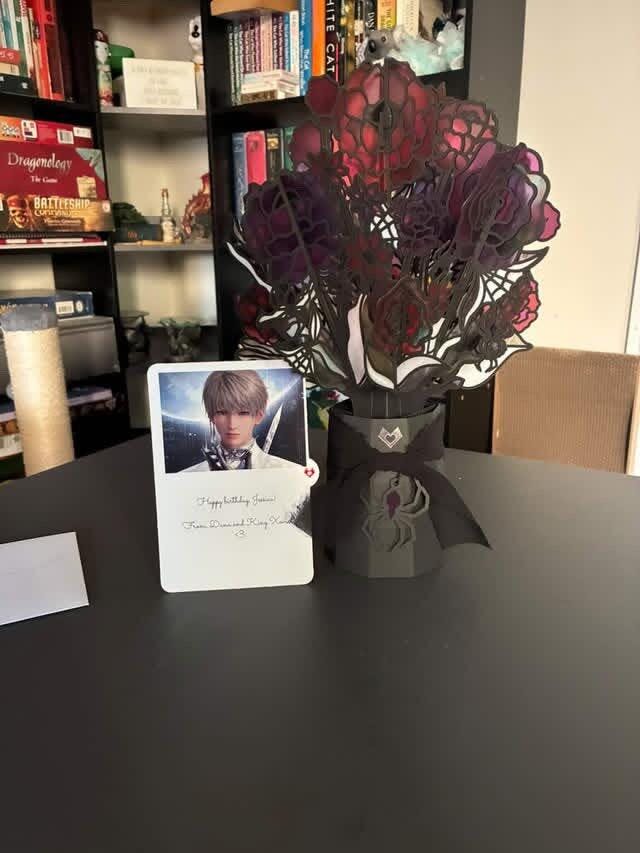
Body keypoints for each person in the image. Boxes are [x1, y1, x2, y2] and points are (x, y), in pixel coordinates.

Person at [182, 369, 298, 472]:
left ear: (258, 416)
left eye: (243, 413)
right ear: (211, 416)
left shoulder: (290, 472)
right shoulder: (186, 476)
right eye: (222, 412)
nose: (232, 424)